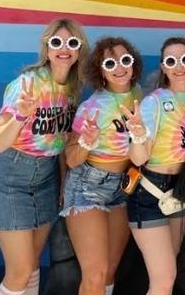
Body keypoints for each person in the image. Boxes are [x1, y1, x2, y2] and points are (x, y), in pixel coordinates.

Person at [0, 18, 88, 295]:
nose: (64, 49)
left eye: (72, 43)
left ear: (79, 50)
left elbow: (61, 144)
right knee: (20, 270)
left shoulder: (72, 89)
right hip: (9, 177)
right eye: (57, 42)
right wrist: (20, 116)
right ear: (46, 48)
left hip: (46, 178)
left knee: (33, 265)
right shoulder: (27, 84)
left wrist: (63, 184)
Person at [61, 37, 144, 295]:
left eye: (125, 60)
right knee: (95, 275)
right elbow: (71, 159)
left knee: (108, 273)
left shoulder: (139, 95)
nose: (119, 68)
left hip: (122, 188)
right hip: (88, 186)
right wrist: (86, 142)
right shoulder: (92, 107)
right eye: (110, 63)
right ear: (101, 71)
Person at [126, 37, 185, 295]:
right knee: (164, 280)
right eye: (171, 61)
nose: (178, 66)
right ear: (163, 67)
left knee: (168, 275)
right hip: (149, 191)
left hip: (180, 190)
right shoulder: (154, 102)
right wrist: (137, 135)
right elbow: (138, 158)